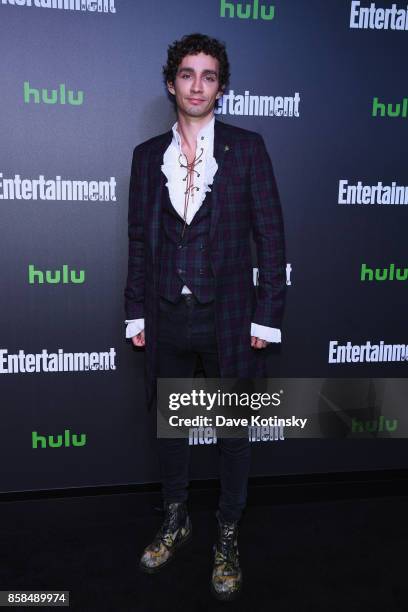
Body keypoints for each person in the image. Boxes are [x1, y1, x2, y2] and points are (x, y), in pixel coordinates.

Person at [124, 32, 286, 601]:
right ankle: (176, 518)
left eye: (209, 75)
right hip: (167, 312)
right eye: (187, 74)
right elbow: (139, 242)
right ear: (172, 83)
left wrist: (266, 317)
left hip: (230, 316)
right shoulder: (148, 157)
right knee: (170, 425)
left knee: (233, 431)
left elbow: (270, 237)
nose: (197, 85)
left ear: (221, 87)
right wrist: (135, 310)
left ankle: (227, 533)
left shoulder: (247, 148)